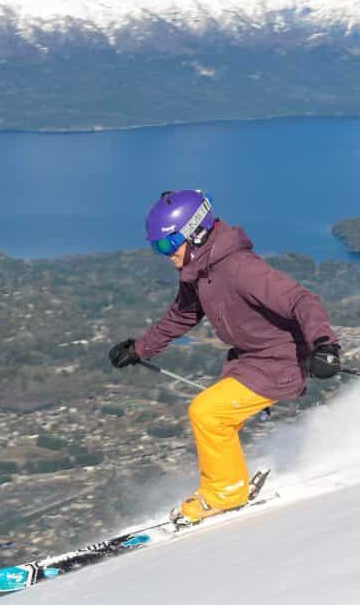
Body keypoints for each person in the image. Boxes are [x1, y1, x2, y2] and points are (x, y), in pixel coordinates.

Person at [108, 189, 342, 524]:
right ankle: (229, 483)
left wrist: (325, 345)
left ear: (195, 233)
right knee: (216, 415)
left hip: (279, 364)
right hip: (248, 360)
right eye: (158, 247)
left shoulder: (239, 268)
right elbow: (182, 315)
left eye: (167, 245)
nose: (166, 255)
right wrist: (140, 348)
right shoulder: (199, 271)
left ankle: (227, 493)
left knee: (208, 413)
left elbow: (301, 300)